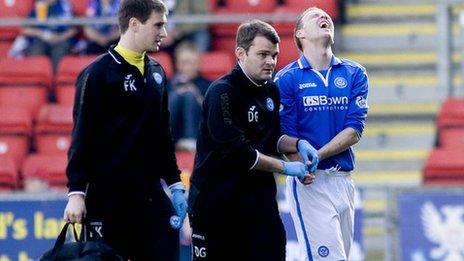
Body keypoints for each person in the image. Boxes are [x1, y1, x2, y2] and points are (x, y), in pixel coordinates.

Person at [63, 0, 187, 260]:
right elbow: (82, 137)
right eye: (158, 25)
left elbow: (163, 136)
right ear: (134, 24)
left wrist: (175, 184)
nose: (164, 33)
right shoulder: (97, 74)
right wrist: (76, 193)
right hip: (107, 198)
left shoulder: (157, 72)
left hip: (149, 195)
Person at [188, 19, 318, 260]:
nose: (270, 61)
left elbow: (272, 138)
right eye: (263, 54)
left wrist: (298, 144)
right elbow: (237, 152)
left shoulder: (271, 90)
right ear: (241, 53)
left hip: (259, 204)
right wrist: (285, 167)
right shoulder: (222, 92)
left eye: (274, 55)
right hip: (218, 205)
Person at [275, 7, 369, 261]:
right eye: (314, 16)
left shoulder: (355, 73)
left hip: (344, 180)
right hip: (310, 182)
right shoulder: (286, 79)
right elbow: (284, 136)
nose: (324, 17)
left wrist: (318, 153)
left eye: (326, 15)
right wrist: (301, 166)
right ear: (300, 34)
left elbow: (354, 129)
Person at [169, 41, 211, 151]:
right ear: (177, 64)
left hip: (198, 133)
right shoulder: (167, 84)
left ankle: (189, 139)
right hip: (173, 132)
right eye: (184, 62)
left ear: (199, 63)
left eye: (192, 63)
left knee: (188, 95)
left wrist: (195, 95)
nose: (188, 67)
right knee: (176, 95)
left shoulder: (208, 85)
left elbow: (213, 113)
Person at [22, 0, 77, 72]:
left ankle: (56, 80)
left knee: (59, 53)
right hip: (41, 40)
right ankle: (37, 79)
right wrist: (42, 34)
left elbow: (74, 30)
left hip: (61, 40)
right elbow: (25, 30)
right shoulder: (39, 6)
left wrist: (59, 37)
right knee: (36, 51)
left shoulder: (65, 6)